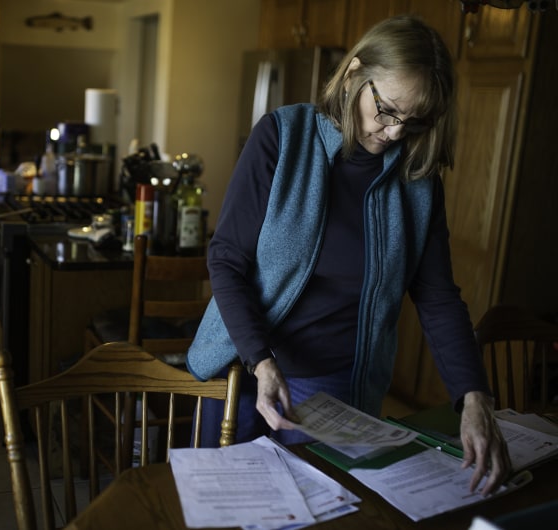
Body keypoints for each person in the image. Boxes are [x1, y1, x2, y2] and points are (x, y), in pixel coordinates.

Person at [186, 15, 511, 496]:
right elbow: (227, 260)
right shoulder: (283, 136)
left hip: (336, 384)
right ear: (356, 72)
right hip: (244, 367)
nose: (397, 133)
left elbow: (439, 297)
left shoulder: (418, 182)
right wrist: (262, 360)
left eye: (416, 120)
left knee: (325, 511)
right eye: (388, 110)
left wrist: (474, 396)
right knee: (225, 507)